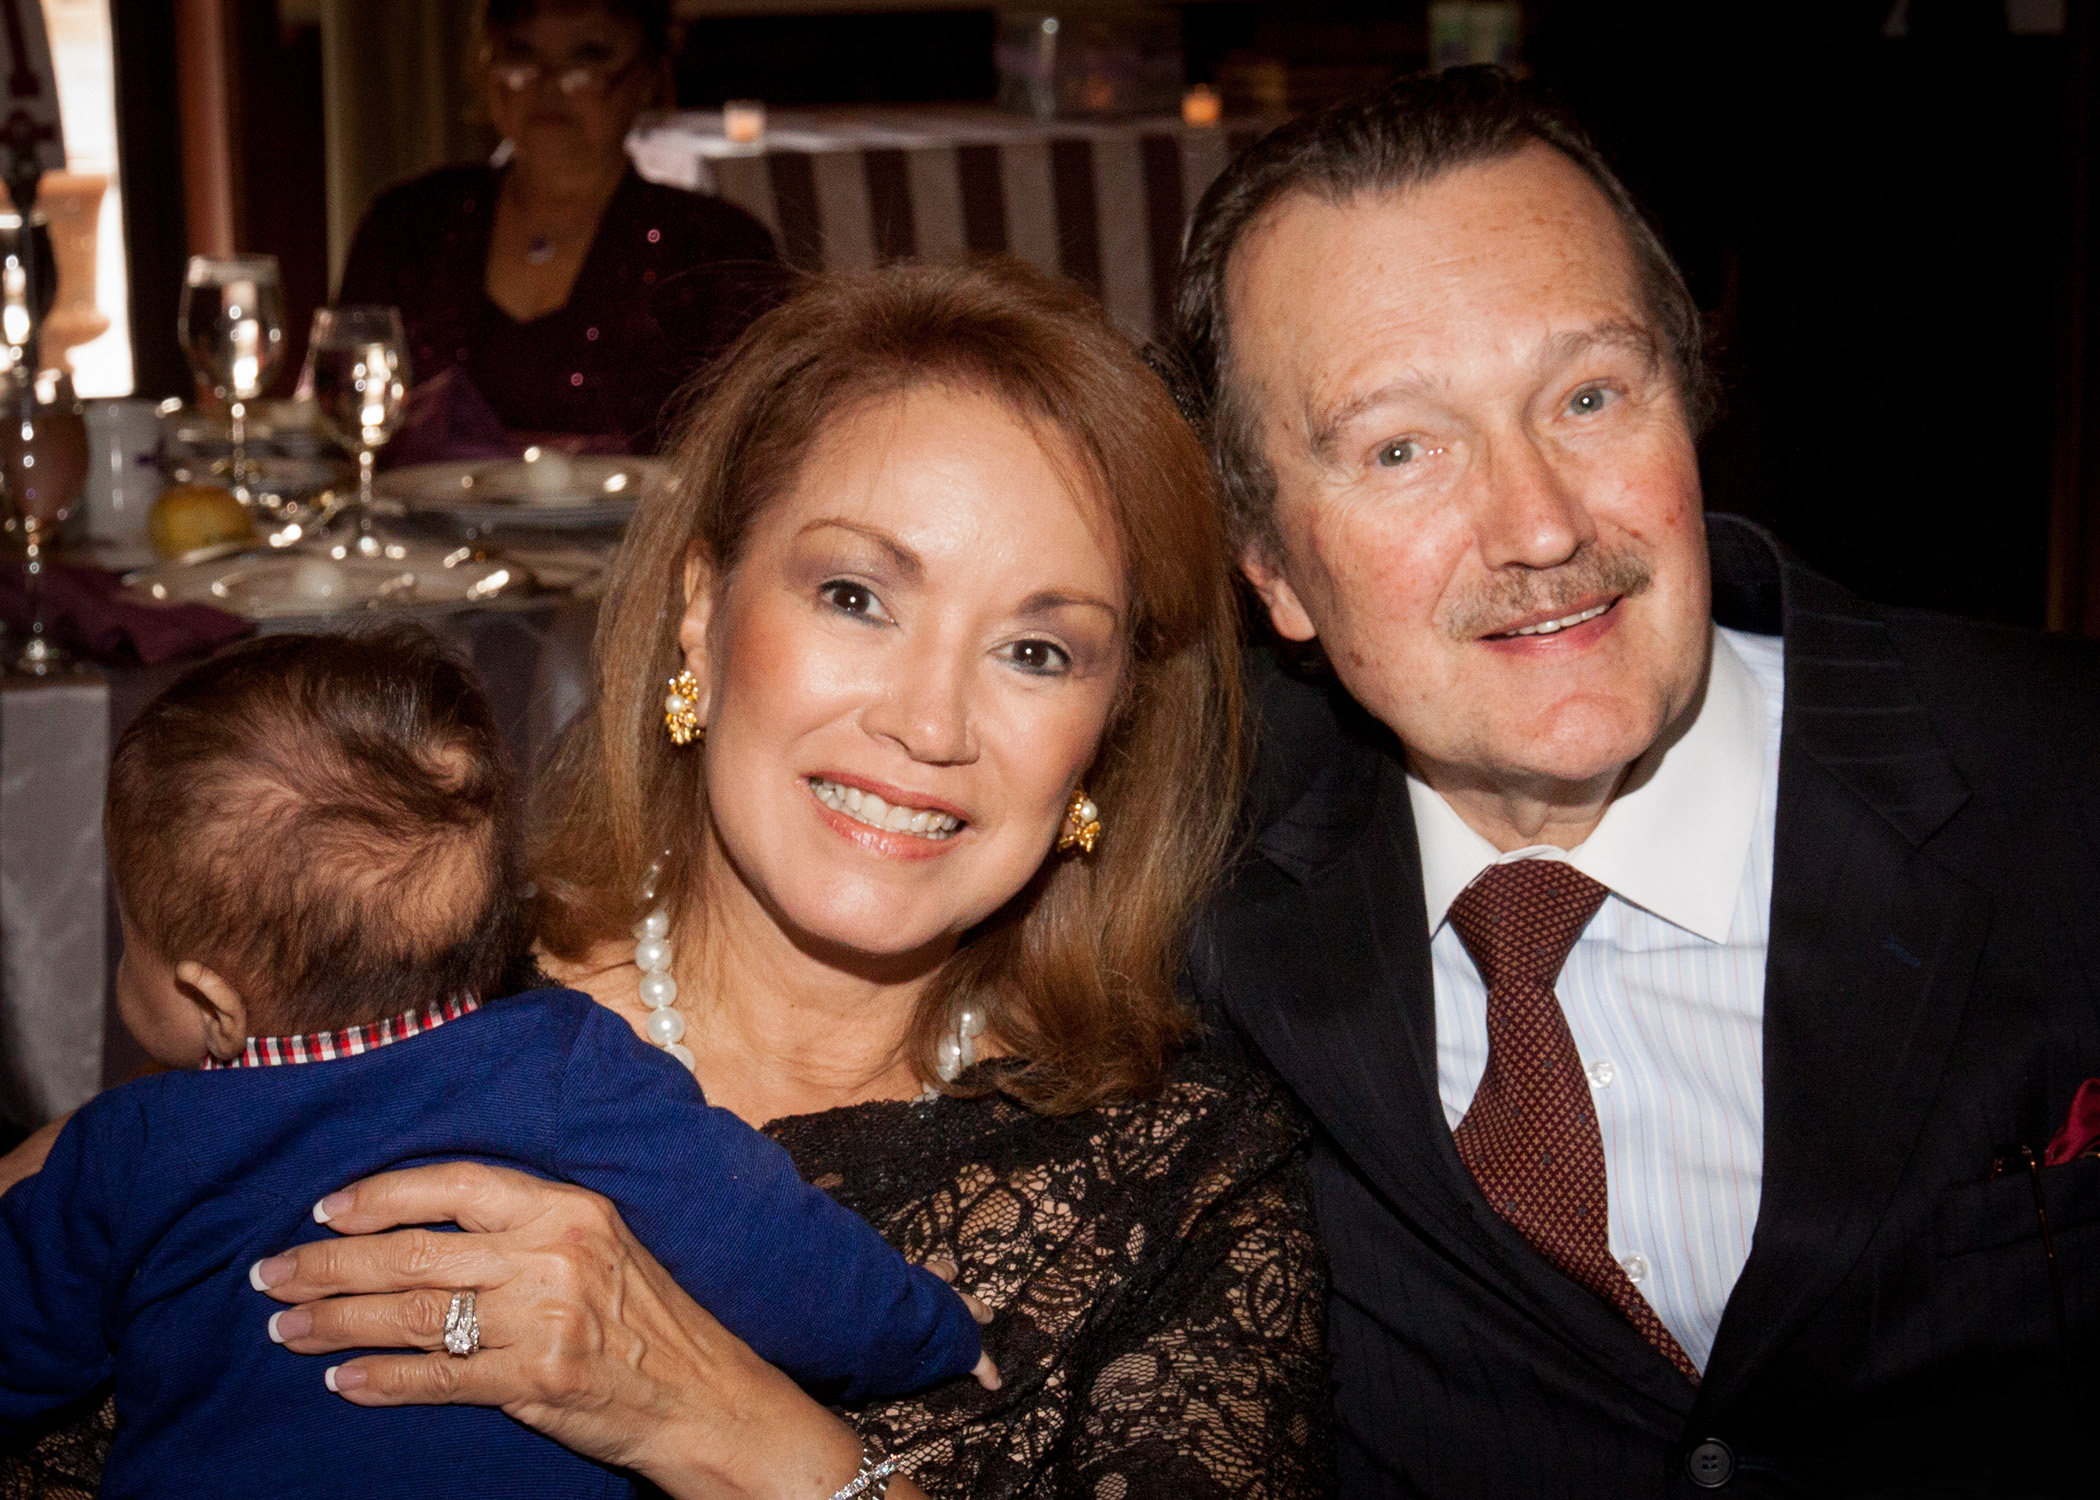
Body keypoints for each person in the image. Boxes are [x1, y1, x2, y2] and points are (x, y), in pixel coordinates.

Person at [0, 259, 1332, 1499]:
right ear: (702, 608)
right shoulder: (380, 990)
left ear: (1109, 729)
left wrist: (717, 1424)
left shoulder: (1185, 1191)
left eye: (1038, 652)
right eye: (857, 596)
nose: (930, 725)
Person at [1170, 69, 2100, 1498]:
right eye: (1401, 448)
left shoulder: (2060, 778)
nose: (1540, 525)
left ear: (1693, 404)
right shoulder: (1185, 890)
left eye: (1590, 395)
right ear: (1272, 568)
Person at [0, 627, 994, 1497]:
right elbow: (763, 1243)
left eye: (131, 942)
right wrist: (924, 1327)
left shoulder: (129, 1147)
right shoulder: (565, 1067)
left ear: (211, 1002)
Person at [336, 0, 782, 455]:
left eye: (588, 56)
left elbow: (759, 451)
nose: (548, 84)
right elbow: (336, 419)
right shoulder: (406, 226)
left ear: (648, 76)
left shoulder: (719, 250)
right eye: (522, 53)